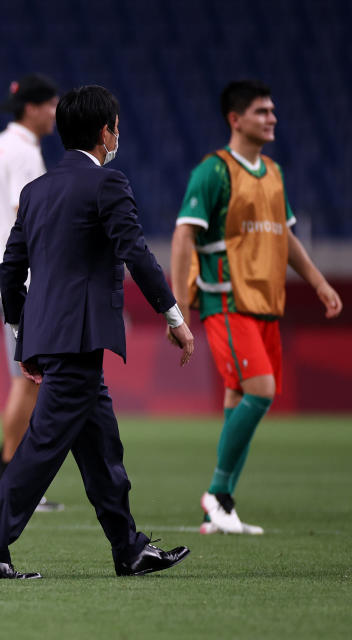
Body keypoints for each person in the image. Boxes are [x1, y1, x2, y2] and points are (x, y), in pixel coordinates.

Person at [0, 85, 194, 580]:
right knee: (42, 447)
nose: (118, 134)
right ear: (106, 130)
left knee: (103, 449)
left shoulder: (36, 190)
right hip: (82, 337)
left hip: (53, 338)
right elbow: (136, 253)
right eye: (117, 126)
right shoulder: (108, 183)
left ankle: (129, 549)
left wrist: (25, 335)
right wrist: (173, 316)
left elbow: (10, 268)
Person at [171, 80, 343, 535]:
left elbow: (285, 237)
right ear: (236, 118)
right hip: (226, 301)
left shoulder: (274, 172)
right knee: (261, 391)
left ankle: (219, 508)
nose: (272, 119)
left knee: (238, 398)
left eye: (273, 111)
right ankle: (218, 493)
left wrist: (320, 283)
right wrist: (179, 308)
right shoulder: (213, 172)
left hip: (266, 305)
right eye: (263, 111)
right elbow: (184, 235)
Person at [0, 73, 61, 512]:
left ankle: (3, 465)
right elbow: (33, 212)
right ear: (34, 109)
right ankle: (7, 469)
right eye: (52, 106)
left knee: (26, 376)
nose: (56, 115)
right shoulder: (24, 153)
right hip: (22, 278)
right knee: (30, 379)